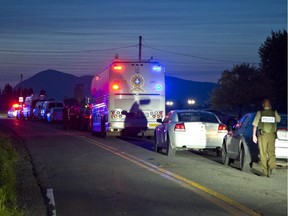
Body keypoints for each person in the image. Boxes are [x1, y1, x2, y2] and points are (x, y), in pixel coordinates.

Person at [252, 99, 281, 177]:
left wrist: (253, 135)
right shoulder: (274, 112)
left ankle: (265, 172)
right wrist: (273, 111)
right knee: (272, 152)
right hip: (272, 135)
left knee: (263, 153)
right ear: (270, 104)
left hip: (262, 135)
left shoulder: (260, 113)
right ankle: (271, 167)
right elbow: (279, 120)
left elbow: (255, 125)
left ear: (263, 105)